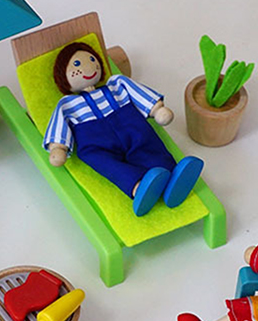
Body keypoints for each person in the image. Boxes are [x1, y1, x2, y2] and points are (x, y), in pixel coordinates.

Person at [44, 41, 203, 216]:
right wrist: (58, 147)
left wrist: (157, 109)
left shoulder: (116, 84)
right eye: (76, 64)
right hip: (96, 141)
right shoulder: (67, 103)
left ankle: (173, 178)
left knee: (147, 144)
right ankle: (139, 188)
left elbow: (137, 92)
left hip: (129, 126)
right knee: (109, 165)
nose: (88, 67)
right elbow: (59, 123)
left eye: (92, 59)